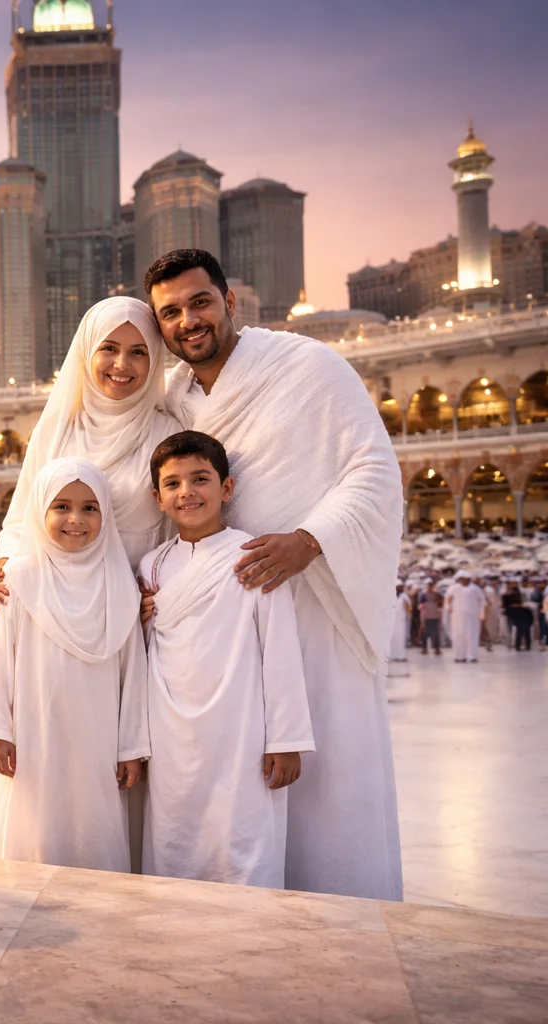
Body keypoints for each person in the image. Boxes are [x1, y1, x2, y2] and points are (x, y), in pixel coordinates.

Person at [145, 249, 403, 901]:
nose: (188, 321)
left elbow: (373, 470)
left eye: (199, 302)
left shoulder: (307, 366)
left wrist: (309, 542)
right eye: (170, 312)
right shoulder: (173, 398)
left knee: (327, 787)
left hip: (317, 607)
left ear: (230, 303)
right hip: (228, 638)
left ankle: (343, 926)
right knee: (238, 792)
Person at [140, 431, 315, 889]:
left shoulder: (253, 555)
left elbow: (278, 649)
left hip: (241, 730)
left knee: (242, 839)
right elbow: (141, 652)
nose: (187, 493)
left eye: (200, 479)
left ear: (227, 488)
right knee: (174, 837)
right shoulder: (151, 566)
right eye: (173, 484)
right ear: (157, 498)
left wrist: (286, 738)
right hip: (171, 734)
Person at [0, 457, 148, 872]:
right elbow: (0, 660)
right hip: (34, 733)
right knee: (35, 824)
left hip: (99, 736)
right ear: (40, 511)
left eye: (90, 508)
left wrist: (131, 747)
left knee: (94, 823)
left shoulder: (121, 583)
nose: (76, 519)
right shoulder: (19, 576)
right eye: (61, 506)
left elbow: (133, 672)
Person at [0, 296, 184, 614]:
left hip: (136, 609)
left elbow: (185, 525)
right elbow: (22, 518)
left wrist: (166, 586)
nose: (122, 364)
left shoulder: (168, 434)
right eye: (108, 348)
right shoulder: (55, 431)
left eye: (138, 351)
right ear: (86, 351)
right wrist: (3, 563)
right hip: (55, 605)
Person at [445, 572, 485, 663]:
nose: (464, 580)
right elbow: (447, 598)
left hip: (472, 615)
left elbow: (482, 601)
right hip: (458, 615)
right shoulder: (454, 588)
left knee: (472, 635)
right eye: (462, 579)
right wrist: (449, 607)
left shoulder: (475, 589)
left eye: (466, 579)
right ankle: (459, 655)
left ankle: (472, 656)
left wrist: (482, 615)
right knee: (458, 635)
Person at [418, 582, 444, 655]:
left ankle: (436, 648)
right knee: (424, 633)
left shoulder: (437, 595)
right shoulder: (423, 595)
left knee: (435, 633)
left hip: (435, 616)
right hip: (426, 616)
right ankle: (424, 648)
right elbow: (421, 605)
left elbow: (441, 603)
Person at [390, 583, 412, 662]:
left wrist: (407, 614)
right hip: (392, 621)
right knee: (392, 638)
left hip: (401, 621)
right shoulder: (390, 596)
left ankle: (400, 655)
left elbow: (409, 608)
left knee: (400, 638)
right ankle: (392, 655)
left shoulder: (404, 597)